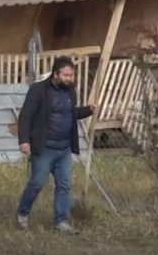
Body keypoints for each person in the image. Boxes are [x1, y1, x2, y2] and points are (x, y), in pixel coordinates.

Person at [15, 56, 98, 233]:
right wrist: (24, 140)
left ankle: (61, 222)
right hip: (45, 147)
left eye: (71, 75)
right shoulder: (38, 90)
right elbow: (26, 115)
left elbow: (69, 113)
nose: (70, 78)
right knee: (36, 183)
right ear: (55, 73)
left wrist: (88, 110)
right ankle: (22, 213)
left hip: (64, 148)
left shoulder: (70, 92)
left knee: (64, 185)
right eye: (66, 75)